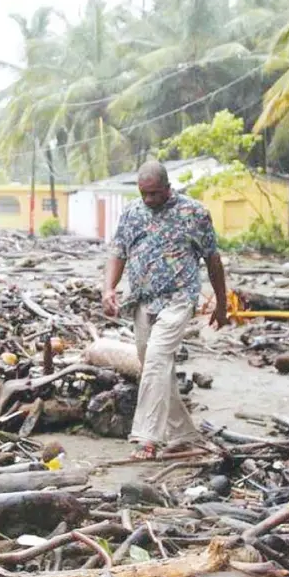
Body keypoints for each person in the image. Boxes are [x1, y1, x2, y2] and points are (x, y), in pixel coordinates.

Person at [102, 161, 228, 460]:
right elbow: (118, 253)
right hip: (142, 300)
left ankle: (147, 438)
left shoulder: (194, 213)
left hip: (179, 299)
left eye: (155, 193)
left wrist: (221, 303)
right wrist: (108, 289)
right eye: (144, 193)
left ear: (168, 188)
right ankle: (184, 436)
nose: (149, 199)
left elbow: (213, 260)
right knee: (154, 366)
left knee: (158, 358)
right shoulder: (132, 213)